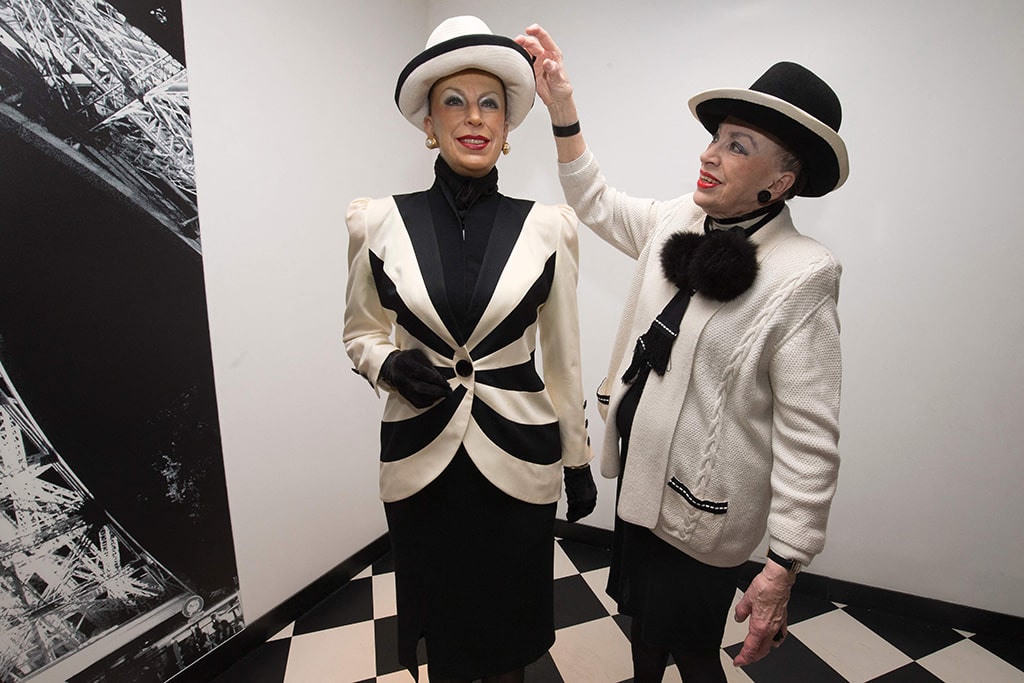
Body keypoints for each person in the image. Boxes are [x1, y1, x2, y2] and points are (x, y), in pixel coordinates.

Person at [516, 25, 846, 682]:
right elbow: (595, 200)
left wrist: (785, 563)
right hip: (641, 487)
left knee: (693, 651)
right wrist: (562, 110)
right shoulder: (676, 219)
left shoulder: (803, 273)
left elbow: (812, 436)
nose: (711, 154)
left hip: (704, 513)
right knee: (642, 632)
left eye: (736, 146)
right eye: (716, 137)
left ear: (780, 180)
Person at [343, 16, 597, 683]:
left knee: (509, 637)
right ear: (429, 122)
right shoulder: (378, 222)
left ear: (509, 127)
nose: (473, 117)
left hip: (519, 459)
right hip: (422, 461)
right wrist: (385, 362)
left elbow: (564, 358)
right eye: (453, 101)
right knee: (447, 637)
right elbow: (360, 331)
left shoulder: (549, 228)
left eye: (490, 102)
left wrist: (578, 459)